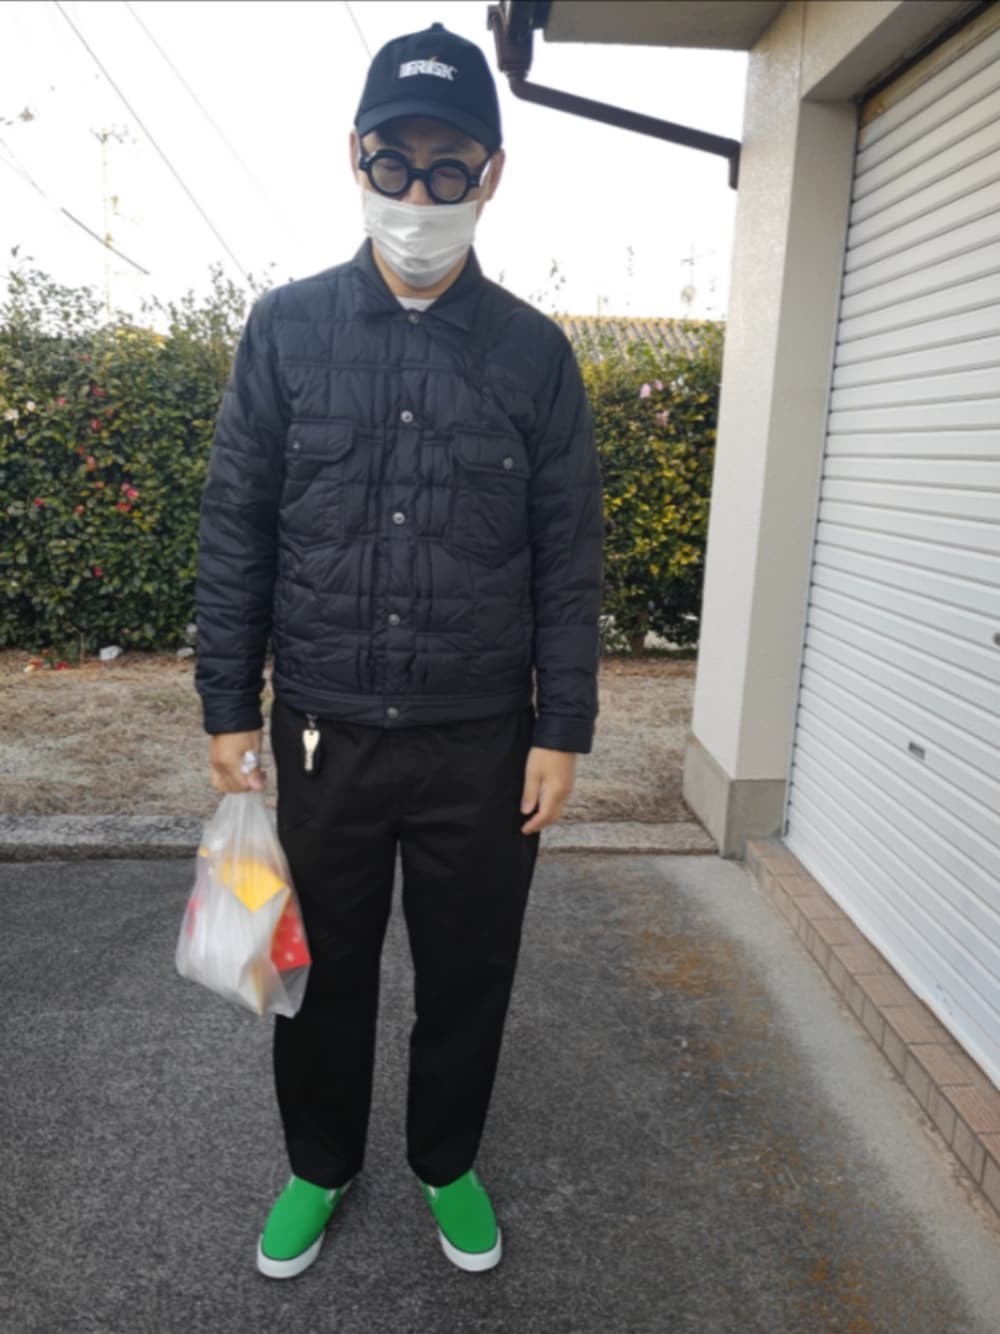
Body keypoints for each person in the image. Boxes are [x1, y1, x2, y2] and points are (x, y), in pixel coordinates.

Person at [194, 21, 603, 1279]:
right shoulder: (285, 330)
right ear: (355, 157)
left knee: (468, 968)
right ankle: (318, 1160)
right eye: (394, 161)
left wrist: (561, 726)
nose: (417, 194)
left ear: (491, 175)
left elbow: (567, 552)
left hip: (480, 741)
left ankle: (446, 1157)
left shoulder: (533, 355)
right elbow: (238, 525)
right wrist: (228, 703)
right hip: (324, 731)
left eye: (447, 166)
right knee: (317, 968)